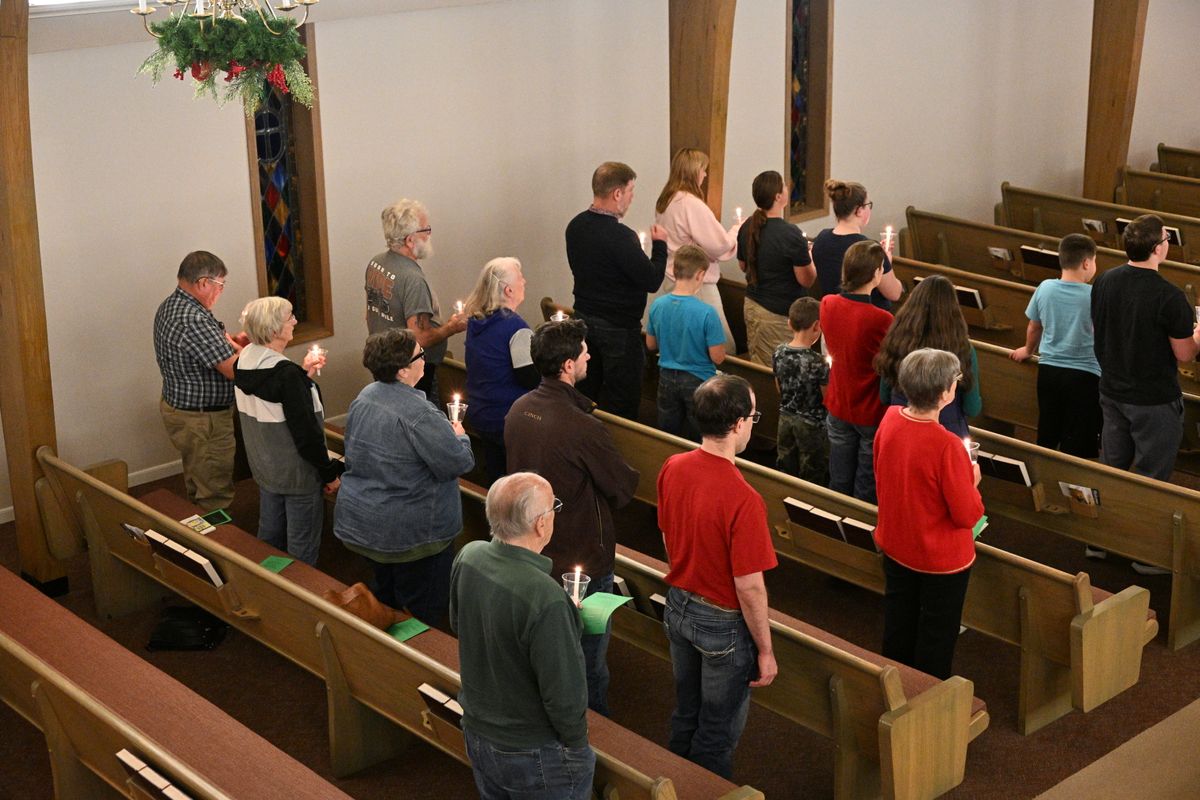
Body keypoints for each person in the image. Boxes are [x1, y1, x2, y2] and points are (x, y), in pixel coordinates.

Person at [504, 320, 639, 715]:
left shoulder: (518, 409)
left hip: (531, 551)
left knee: (543, 648)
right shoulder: (583, 426)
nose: (589, 356)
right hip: (581, 561)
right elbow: (622, 489)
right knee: (587, 658)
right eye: (584, 352)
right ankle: (590, 728)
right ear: (567, 365)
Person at [658, 374, 778, 779]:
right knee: (717, 731)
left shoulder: (673, 466)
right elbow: (749, 586)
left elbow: (667, 533)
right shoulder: (744, 498)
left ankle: (673, 784)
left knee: (686, 711)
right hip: (721, 623)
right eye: (754, 417)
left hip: (678, 603)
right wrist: (765, 649)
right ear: (739, 424)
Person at [451, 472, 594, 800]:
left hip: (477, 730)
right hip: (532, 750)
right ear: (541, 524)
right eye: (553, 508)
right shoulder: (545, 597)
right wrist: (577, 747)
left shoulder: (469, 555)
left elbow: (460, 625)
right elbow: (563, 694)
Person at [333, 328, 474, 630]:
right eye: (419, 355)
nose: (424, 359)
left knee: (385, 597)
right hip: (412, 534)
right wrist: (460, 436)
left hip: (366, 523)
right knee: (423, 614)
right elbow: (458, 463)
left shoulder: (364, 397)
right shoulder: (419, 413)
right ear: (402, 370)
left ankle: (380, 639)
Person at [1091, 215, 1200, 573]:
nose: (1168, 242)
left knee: (1113, 467)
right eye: (1167, 238)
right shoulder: (1169, 296)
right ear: (1157, 248)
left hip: (1112, 388)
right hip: (1153, 399)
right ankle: (1145, 554)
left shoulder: (1105, 279)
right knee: (1152, 475)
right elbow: (1184, 354)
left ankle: (1100, 540)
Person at [873, 348, 984, 680]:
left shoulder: (890, 418)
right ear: (945, 393)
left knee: (899, 622)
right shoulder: (947, 445)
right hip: (939, 558)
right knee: (937, 633)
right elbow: (966, 515)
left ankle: (894, 689)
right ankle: (929, 697)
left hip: (896, 542)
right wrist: (973, 482)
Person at [234, 297, 344, 565]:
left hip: (266, 467)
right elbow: (306, 435)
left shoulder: (243, 362)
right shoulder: (287, 377)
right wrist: (329, 473)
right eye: (290, 317)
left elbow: (274, 403)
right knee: (301, 547)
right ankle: (299, 588)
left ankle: (267, 582)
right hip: (297, 475)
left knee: (269, 538)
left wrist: (302, 374)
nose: (295, 321)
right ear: (274, 330)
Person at [567, 161, 669, 419]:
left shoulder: (575, 226)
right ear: (617, 193)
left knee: (586, 391)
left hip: (583, 319)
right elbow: (651, 280)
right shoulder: (620, 236)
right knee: (622, 399)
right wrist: (660, 245)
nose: (632, 197)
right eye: (631, 191)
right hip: (619, 328)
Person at [153, 250, 246, 512]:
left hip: (184, 410)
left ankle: (199, 527)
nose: (221, 291)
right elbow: (233, 370)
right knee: (214, 492)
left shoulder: (173, 304)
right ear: (204, 282)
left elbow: (204, 349)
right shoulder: (191, 318)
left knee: (198, 478)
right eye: (221, 285)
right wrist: (255, 351)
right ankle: (218, 537)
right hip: (203, 420)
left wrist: (233, 343)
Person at [364, 198, 467, 402]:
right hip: (411, 371)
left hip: (383, 361)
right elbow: (420, 338)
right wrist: (452, 328)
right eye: (425, 230)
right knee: (420, 416)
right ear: (410, 240)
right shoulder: (413, 279)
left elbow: (368, 314)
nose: (429, 235)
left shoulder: (376, 263)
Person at [1009, 233, 1102, 457]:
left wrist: (1027, 350)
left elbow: (1034, 327)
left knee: (1048, 429)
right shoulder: (1095, 295)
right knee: (1080, 438)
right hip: (1085, 375)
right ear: (1086, 263)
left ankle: (1046, 469)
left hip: (1049, 371)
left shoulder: (1045, 288)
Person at [820, 241, 892, 503]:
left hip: (839, 402)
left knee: (838, 481)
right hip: (869, 408)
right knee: (865, 487)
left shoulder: (827, 303)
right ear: (876, 273)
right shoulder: (882, 319)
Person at [874, 275, 982, 438]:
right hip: (946, 432)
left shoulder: (897, 341)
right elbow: (972, 408)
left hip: (900, 430)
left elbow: (884, 397)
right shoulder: (963, 349)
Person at [463, 257, 539, 483]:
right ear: (508, 290)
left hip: (481, 412)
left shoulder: (476, 321)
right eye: (520, 278)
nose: (525, 281)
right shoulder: (516, 327)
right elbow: (529, 379)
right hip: (509, 418)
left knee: (495, 472)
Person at [655, 148, 739, 351]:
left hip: (672, 278)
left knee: (684, 342)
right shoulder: (690, 204)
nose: (705, 174)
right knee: (722, 345)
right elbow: (719, 245)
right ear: (693, 172)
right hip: (696, 283)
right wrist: (737, 230)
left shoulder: (666, 200)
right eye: (703, 169)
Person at [646, 244, 727, 439]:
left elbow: (651, 345)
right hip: (698, 379)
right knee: (698, 434)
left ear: (674, 271)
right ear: (700, 275)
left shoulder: (658, 305)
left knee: (667, 434)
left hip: (666, 376)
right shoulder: (707, 312)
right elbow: (718, 357)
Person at [737, 170, 816, 364]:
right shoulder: (789, 233)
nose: (788, 188)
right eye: (784, 186)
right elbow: (807, 280)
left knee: (760, 363)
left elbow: (743, 266)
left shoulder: (747, 226)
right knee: (777, 369)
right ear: (778, 196)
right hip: (776, 314)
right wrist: (809, 256)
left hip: (752, 305)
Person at [810, 180, 902, 308]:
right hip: (867, 315)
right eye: (868, 205)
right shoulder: (868, 249)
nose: (869, 209)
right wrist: (885, 261)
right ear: (859, 210)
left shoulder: (821, 238)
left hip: (833, 311)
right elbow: (894, 293)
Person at [773, 297, 829, 484]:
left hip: (785, 418)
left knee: (785, 465)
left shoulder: (778, 352)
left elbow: (778, 386)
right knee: (812, 470)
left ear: (789, 323)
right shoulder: (818, 362)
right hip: (812, 423)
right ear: (817, 326)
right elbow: (827, 397)